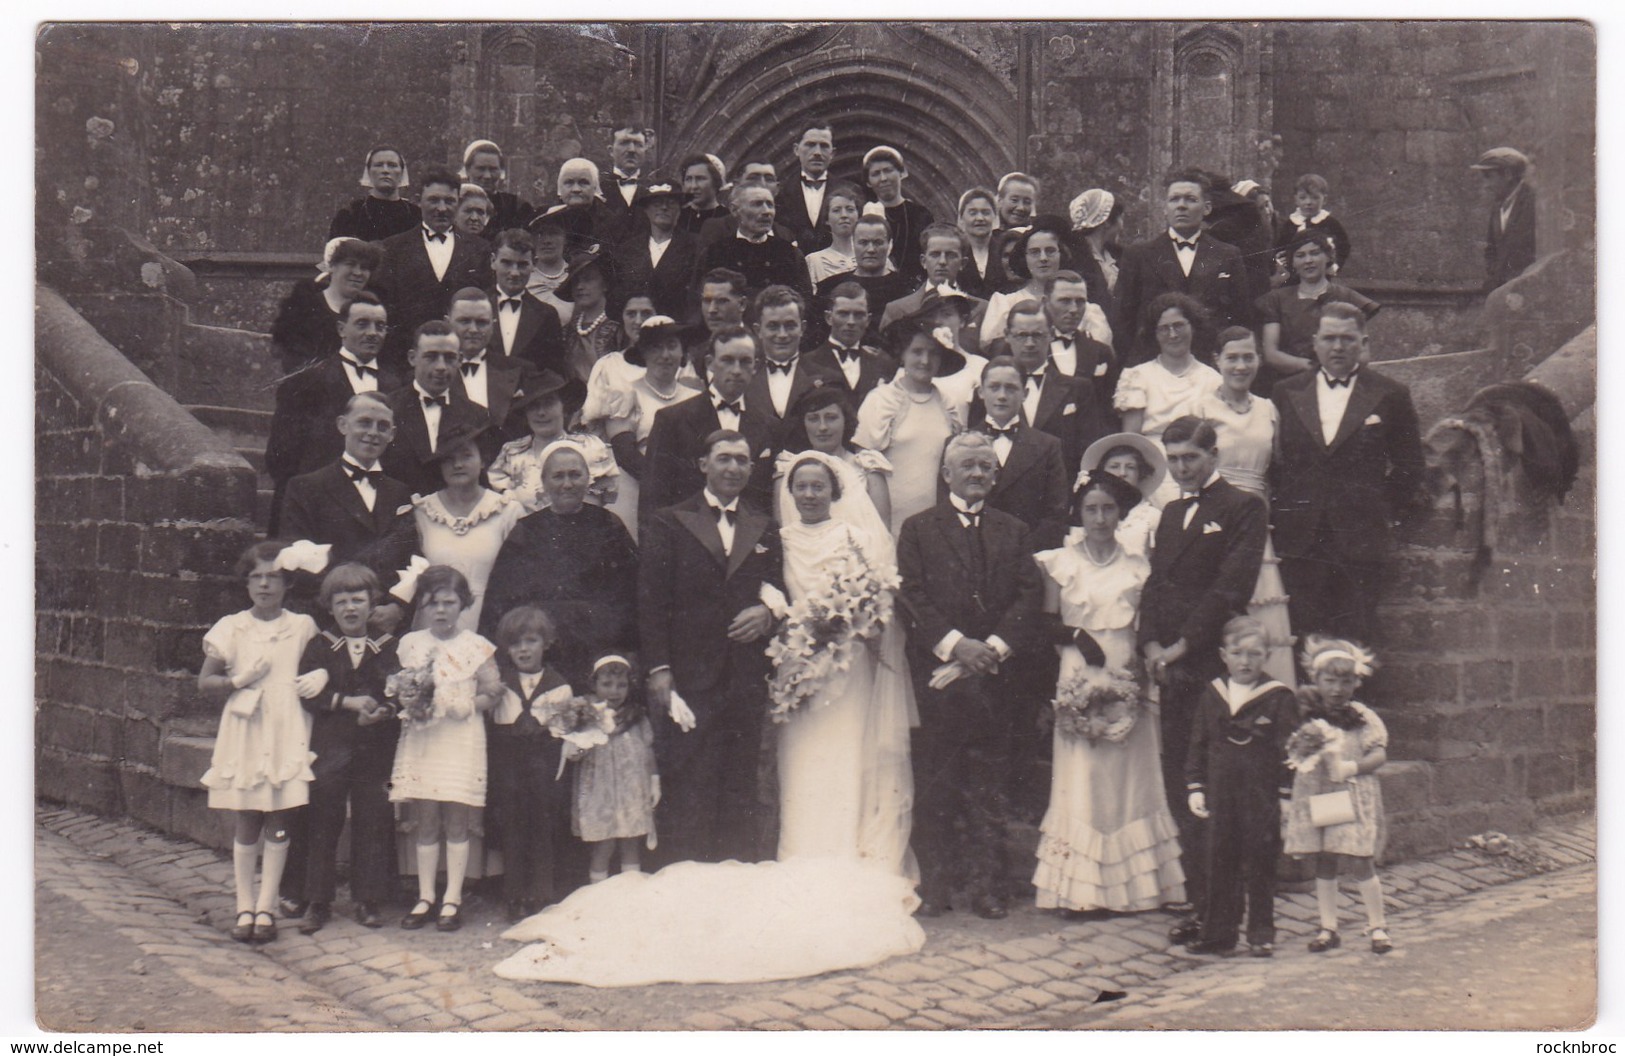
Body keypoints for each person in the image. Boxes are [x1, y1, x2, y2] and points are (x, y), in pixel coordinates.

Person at [897, 433, 1044, 918]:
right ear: (946, 474)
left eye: (985, 466)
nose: (977, 474)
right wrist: (956, 646)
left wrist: (993, 649)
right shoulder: (918, 529)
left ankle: (988, 886)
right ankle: (936, 885)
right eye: (967, 466)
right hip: (940, 677)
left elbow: (1028, 598)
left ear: (996, 475)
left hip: (998, 679)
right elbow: (912, 597)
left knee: (990, 782)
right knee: (936, 782)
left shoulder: (1015, 529)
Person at [1138, 416, 1267, 946]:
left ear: (1213, 455)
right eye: (1173, 458)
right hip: (1172, 670)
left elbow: (1229, 588)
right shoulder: (1170, 513)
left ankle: (1223, 915)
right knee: (1183, 784)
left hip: (1213, 665)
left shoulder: (1243, 509)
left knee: (1218, 789)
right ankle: (1199, 903)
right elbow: (1156, 585)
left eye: (1191, 457)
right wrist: (1149, 642)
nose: (1182, 467)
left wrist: (1183, 644)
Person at [1032, 472, 1185, 916]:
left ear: (1120, 513)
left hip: (1124, 668)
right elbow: (1045, 622)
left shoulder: (1139, 565)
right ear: (1079, 515)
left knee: (1130, 775)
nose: (1100, 518)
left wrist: (1138, 667)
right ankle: (1083, 893)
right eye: (1091, 510)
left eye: (1108, 509)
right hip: (1079, 669)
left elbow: (1148, 623)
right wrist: (1076, 634)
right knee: (1084, 774)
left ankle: (1141, 889)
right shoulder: (1060, 563)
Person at [639, 430, 785, 865]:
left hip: (743, 673)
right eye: (724, 459)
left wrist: (768, 615)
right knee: (690, 777)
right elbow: (650, 599)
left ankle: (733, 878)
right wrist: (659, 669)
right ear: (704, 464)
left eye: (742, 460)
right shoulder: (669, 520)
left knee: (739, 777)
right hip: (689, 672)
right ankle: (686, 875)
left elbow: (777, 587)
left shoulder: (763, 524)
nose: (733, 468)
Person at [1271, 302, 1424, 644]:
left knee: (1356, 634)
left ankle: (1353, 699)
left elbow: (1410, 466)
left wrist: (1379, 508)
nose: (1337, 347)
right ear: (1315, 342)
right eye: (1329, 338)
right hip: (1300, 537)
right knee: (1303, 632)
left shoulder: (1390, 394)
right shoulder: (1286, 392)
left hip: (1361, 537)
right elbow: (1275, 463)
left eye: (1347, 338)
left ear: (1363, 343)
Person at [196, 540, 323, 944]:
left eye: (273, 577)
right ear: (246, 583)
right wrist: (238, 679)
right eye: (256, 577)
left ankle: (266, 907)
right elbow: (205, 683)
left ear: (288, 584)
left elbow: (322, 666)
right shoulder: (232, 627)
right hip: (248, 726)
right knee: (249, 815)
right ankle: (244, 905)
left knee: (281, 816)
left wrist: (321, 677)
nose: (265, 585)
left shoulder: (302, 626)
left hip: (287, 726)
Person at [388, 565, 503, 933]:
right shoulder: (411, 644)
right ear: (422, 605)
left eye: (449, 602)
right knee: (426, 819)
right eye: (433, 602)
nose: (441, 610)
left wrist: (468, 704)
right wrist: (406, 698)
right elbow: (396, 687)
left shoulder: (475, 646)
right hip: (424, 739)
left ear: (463, 604)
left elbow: (493, 691)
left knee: (456, 819)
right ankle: (425, 896)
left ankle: (452, 898)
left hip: (460, 738)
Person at [289, 563, 401, 934]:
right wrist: (345, 702)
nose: (351, 609)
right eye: (342, 602)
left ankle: (367, 899)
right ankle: (317, 900)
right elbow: (308, 695)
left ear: (372, 604)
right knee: (323, 818)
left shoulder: (386, 646)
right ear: (329, 606)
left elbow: (398, 691)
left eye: (358, 600)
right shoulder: (320, 646)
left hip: (374, 747)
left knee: (372, 818)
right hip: (332, 744)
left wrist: (384, 710)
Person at [1182, 615, 1297, 956]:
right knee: (1219, 859)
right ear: (1224, 655)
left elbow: (1290, 751)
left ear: (1267, 656)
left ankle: (1261, 932)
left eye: (1254, 654)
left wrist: (1285, 795)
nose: (1245, 662)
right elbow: (1198, 743)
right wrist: (1195, 786)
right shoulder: (1213, 693)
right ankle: (1219, 932)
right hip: (1221, 792)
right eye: (1237, 653)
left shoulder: (1278, 697)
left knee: (1260, 860)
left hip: (1260, 795)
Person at [481, 441, 639, 686]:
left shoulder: (609, 525)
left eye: (575, 475)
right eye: (558, 476)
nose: (567, 484)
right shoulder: (526, 530)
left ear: (588, 479)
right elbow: (500, 599)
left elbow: (632, 591)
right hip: (544, 656)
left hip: (599, 653)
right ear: (544, 483)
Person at [1194, 327, 1297, 685]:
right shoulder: (1201, 406)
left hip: (1257, 521)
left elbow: (1277, 468)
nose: (1240, 365)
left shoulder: (1269, 408)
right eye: (1232, 357)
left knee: (1259, 614)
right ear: (1217, 361)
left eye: (1248, 357)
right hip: (1216, 519)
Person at [1283, 636, 1393, 955]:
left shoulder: (1362, 716)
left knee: (1360, 859)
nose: (1336, 689)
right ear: (1316, 680)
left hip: (1353, 794)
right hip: (1321, 795)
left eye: (1345, 682)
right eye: (1329, 681)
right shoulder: (1308, 716)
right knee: (1325, 858)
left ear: (1356, 682)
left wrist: (1353, 767)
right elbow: (1293, 750)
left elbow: (1379, 754)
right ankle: (1328, 926)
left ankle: (1377, 925)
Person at [264, 291, 403, 534]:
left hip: (375, 512)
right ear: (341, 329)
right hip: (320, 512)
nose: (372, 333)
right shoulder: (305, 381)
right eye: (362, 324)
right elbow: (281, 458)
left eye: (380, 326)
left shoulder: (396, 386)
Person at [279, 393, 417, 614]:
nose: (373, 433)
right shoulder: (306, 486)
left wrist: (396, 606)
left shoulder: (400, 493)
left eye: (382, 426)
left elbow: (410, 556)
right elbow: (298, 555)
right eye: (364, 422)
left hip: (384, 618)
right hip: (327, 612)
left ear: (391, 435)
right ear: (343, 425)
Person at [487, 605, 575, 921]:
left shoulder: (558, 685)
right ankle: (514, 893)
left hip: (543, 763)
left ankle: (541, 892)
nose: (522, 650)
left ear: (546, 643)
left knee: (542, 823)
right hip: (508, 763)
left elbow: (562, 731)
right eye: (515, 644)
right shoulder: (499, 684)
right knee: (511, 824)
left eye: (530, 641)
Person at [1114, 171, 1252, 365]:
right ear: (1165, 208)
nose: (1181, 206)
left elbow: (1240, 317)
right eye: (1174, 199)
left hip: (1209, 365)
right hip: (1153, 365)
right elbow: (1123, 320)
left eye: (1190, 199)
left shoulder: (1228, 255)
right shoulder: (1138, 255)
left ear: (1207, 208)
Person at [642, 327, 777, 517]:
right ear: (710, 363)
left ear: (755, 366)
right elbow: (653, 499)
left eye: (745, 362)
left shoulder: (768, 425)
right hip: (687, 540)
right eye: (727, 360)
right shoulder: (672, 420)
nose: (737, 370)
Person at [373, 168, 494, 373]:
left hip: (462, 365)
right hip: (404, 364)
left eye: (449, 201)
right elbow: (386, 310)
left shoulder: (480, 250)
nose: (442, 208)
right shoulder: (392, 249)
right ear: (419, 201)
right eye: (434, 200)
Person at [409, 422, 524, 632]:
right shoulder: (422, 512)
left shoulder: (507, 511)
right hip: (433, 621)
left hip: (490, 619)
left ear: (482, 461)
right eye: (449, 459)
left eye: (466, 456)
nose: (458, 464)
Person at [855, 316, 965, 534]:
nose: (925, 360)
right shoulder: (882, 400)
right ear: (903, 355)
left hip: (937, 521)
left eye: (933, 353)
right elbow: (862, 468)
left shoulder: (947, 404)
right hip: (891, 519)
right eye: (917, 351)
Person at [1113, 293, 1224, 505]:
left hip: (1199, 475)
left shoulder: (1213, 379)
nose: (1173, 334)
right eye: (1164, 328)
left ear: (1193, 326)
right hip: (1154, 476)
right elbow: (1131, 440)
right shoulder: (1137, 376)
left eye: (1179, 325)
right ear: (1154, 333)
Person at [596, 317, 700, 535]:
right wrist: (667, 486)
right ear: (643, 353)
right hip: (638, 491)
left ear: (682, 352)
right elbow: (625, 454)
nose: (665, 355)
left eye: (672, 346)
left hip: (690, 495)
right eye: (656, 347)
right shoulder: (625, 394)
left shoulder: (697, 397)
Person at [564, 653, 658, 884]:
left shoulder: (636, 716)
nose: (614, 691)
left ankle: (630, 894)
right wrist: (577, 749)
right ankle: (599, 898)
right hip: (600, 792)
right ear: (593, 684)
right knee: (603, 845)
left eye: (621, 685)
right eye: (606, 684)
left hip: (630, 792)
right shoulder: (584, 715)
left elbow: (648, 750)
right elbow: (574, 750)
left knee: (630, 842)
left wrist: (654, 780)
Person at [1256, 228, 1381, 397]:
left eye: (1314, 253)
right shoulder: (1277, 300)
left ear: (1328, 256)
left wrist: (1332, 368)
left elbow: (1363, 354)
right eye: (1300, 255)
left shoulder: (1348, 297)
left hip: (1339, 384)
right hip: (1291, 388)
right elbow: (1271, 354)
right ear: (1292, 262)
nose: (1308, 260)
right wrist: (1310, 367)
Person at [1001, 299, 1111, 481]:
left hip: (1059, 494)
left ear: (1051, 334)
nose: (1030, 343)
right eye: (1022, 335)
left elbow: (1088, 451)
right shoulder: (989, 389)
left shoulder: (1079, 389)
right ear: (1007, 335)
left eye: (1037, 335)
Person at [380, 321, 490, 499]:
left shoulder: (477, 415)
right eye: (431, 357)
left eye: (449, 358)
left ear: (460, 360)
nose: (441, 366)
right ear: (412, 358)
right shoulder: (387, 409)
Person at [971, 356, 1070, 552]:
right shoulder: (959, 444)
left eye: (1011, 388)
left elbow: (1055, 513)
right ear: (981, 392)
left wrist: (1022, 553)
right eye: (994, 387)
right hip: (974, 557)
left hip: (1028, 556)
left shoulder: (1047, 446)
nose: (1002, 395)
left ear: (1024, 393)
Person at [488, 371, 619, 516]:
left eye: (549, 403)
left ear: (564, 407)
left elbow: (593, 509)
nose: (541, 412)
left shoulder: (589, 447)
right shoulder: (511, 453)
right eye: (533, 406)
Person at [775, 386, 894, 539]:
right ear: (803, 424)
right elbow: (783, 533)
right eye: (813, 419)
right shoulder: (788, 469)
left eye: (831, 417)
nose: (823, 427)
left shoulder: (867, 468)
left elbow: (881, 537)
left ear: (845, 420)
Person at [981, 216, 1109, 349]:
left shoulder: (1083, 308)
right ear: (1025, 258)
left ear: (1062, 255)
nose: (1043, 258)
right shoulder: (1006, 304)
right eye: (1035, 252)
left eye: (1050, 251)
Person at [270, 237, 383, 375]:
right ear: (332, 266)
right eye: (350, 264)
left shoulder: (374, 310)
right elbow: (294, 361)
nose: (358, 273)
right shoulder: (304, 307)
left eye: (364, 268)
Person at [446, 287, 538, 444]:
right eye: (464, 321)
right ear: (447, 323)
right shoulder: (430, 374)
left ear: (493, 326)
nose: (473, 329)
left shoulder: (522, 371)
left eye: (481, 322)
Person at [743, 285, 829, 452]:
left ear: (802, 328)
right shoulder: (743, 380)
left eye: (790, 325)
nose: (782, 334)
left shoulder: (825, 378)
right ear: (758, 330)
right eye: (773, 326)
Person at [696, 181, 812, 301]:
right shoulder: (715, 254)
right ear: (734, 210)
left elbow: (804, 303)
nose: (767, 211)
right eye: (757, 204)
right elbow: (698, 302)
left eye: (770, 205)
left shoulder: (790, 254)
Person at [879, 223, 991, 346]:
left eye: (950, 255)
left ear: (963, 263)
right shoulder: (897, 310)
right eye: (935, 254)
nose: (942, 261)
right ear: (923, 261)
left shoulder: (982, 310)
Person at [612, 178, 701, 321]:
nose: (664, 208)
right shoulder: (628, 249)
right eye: (657, 203)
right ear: (646, 210)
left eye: (671, 203)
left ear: (680, 208)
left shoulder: (695, 246)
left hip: (677, 327)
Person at [814, 215, 914, 341]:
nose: (871, 249)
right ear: (853, 244)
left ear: (889, 245)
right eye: (863, 242)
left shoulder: (906, 287)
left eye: (878, 242)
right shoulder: (829, 287)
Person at [801, 281, 897, 405]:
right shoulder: (806, 364)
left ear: (868, 320)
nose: (851, 322)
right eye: (843, 314)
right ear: (829, 318)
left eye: (858, 315)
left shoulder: (883, 363)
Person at [487, 229, 567, 377]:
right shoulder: (476, 305)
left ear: (533, 265)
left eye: (522, 265)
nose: (515, 273)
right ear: (493, 262)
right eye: (507, 263)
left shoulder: (546, 314)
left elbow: (554, 372)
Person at [1079, 431, 1167, 559]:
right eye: (1114, 466)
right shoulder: (1088, 512)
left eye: (1130, 467)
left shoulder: (1151, 516)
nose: (1122, 473)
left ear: (1140, 474)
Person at [863, 146, 934, 283]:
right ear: (868, 182)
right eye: (876, 173)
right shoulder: (865, 214)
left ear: (902, 173)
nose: (883, 178)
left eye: (888, 171)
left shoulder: (921, 214)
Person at [1471, 146, 1537, 292]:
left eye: (1489, 176)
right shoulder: (1498, 207)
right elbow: (1491, 250)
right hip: (1502, 293)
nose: (1486, 185)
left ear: (1507, 174)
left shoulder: (1533, 203)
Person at [329, 145, 421, 243]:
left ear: (402, 172)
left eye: (392, 165)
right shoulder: (350, 214)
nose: (385, 170)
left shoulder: (416, 215)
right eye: (379, 165)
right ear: (368, 172)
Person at [1066, 188, 1124, 336]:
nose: (1121, 226)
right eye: (1120, 219)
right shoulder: (1074, 258)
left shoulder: (1118, 256)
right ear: (1106, 223)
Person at [557, 254, 622, 384]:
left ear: (605, 284)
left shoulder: (619, 330)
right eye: (576, 281)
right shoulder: (566, 331)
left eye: (588, 279)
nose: (580, 286)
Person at [1273, 173, 1352, 275]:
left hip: (1324, 273)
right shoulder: (1290, 224)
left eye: (1315, 198)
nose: (1308, 202)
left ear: (1324, 199)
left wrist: (1336, 265)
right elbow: (1279, 248)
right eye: (1303, 198)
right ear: (1296, 200)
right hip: (1294, 275)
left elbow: (1344, 246)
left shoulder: (1331, 223)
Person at [776, 125, 836, 253]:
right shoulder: (780, 194)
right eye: (810, 145)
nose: (817, 153)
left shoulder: (850, 191)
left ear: (832, 153)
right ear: (796, 150)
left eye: (824, 146)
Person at [460, 139, 534, 236]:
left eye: (493, 169)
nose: (487, 176)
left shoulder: (517, 207)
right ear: (467, 170)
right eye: (481, 169)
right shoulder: (454, 203)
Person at [803, 182, 865, 286]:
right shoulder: (814, 261)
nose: (844, 215)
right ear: (827, 219)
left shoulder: (871, 255)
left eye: (850, 209)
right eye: (836, 210)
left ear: (858, 216)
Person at [599, 124, 651, 245]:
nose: (631, 150)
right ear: (610, 151)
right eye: (624, 143)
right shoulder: (597, 189)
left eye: (638, 144)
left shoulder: (654, 191)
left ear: (645, 151)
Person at [956, 187, 1000, 299]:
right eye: (973, 213)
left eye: (986, 213)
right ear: (961, 219)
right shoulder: (955, 252)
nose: (980, 218)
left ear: (994, 217)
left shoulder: (1003, 249)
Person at [676, 152, 730, 235]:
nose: (693, 186)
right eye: (688, 179)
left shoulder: (728, 218)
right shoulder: (677, 217)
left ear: (715, 182)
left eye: (700, 179)